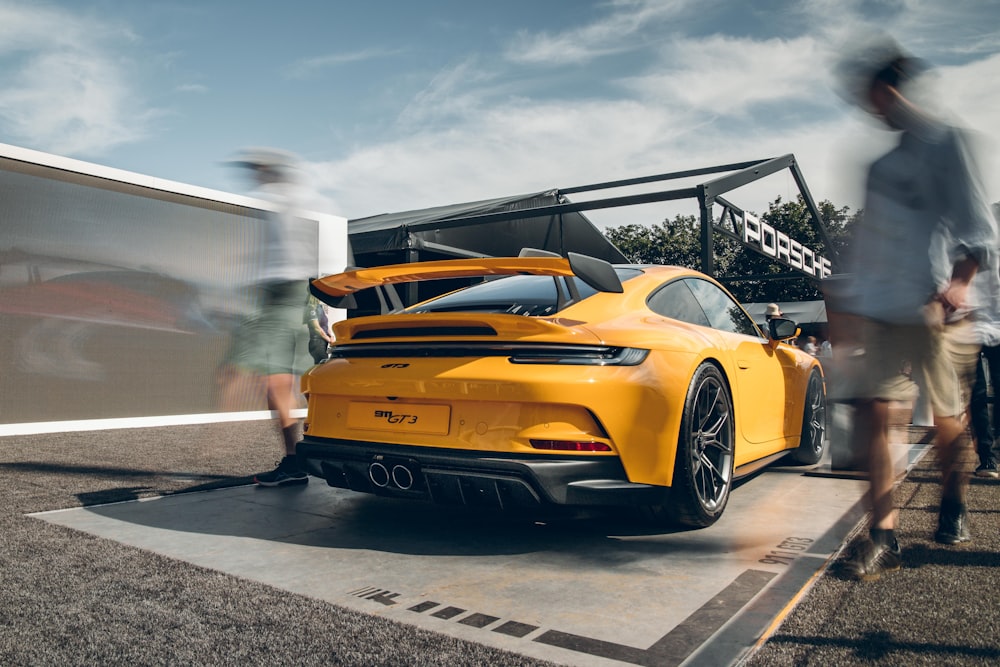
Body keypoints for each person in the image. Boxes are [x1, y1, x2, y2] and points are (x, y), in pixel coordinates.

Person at [831, 36, 998, 580]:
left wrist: (960, 284)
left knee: (949, 424)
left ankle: (954, 500)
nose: (867, 107)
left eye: (870, 95)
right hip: (883, 310)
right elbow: (870, 243)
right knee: (879, 414)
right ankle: (883, 536)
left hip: (938, 310)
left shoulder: (949, 144)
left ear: (889, 89)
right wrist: (853, 305)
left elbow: (978, 226)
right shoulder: (881, 168)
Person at [225, 147, 319, 487]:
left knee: (273, 381)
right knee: (281, 382)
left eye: (257, 168)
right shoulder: (291, 199)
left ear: (271, 169)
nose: (254, 174)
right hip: (292, 293)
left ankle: (297, 458)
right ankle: (298, 458)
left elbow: (275, 259)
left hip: (282, 293)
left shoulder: (278, 198)